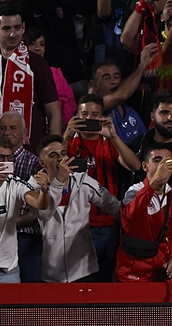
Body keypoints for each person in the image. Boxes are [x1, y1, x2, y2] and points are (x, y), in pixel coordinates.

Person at [64, 94, 142, 282]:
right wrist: (65, 136)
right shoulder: (68, 142)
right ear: (76, 116)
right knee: (73, 283)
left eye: (95, 114)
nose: (89, 119)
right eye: (84, 114)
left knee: (101, 282)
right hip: (71, 225)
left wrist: (114, 137)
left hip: (104, 225)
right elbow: (51, 166)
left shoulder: (108, 142)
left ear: (102, 117)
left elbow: (135, 166)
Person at [34, 135, 120, 282]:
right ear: (42, 162)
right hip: (52, 273)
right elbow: (45, 213)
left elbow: (113, 206)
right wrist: (58, 182)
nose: (60, 159)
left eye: (63, 154)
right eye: (53, 155)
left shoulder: (83, 181)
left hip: (84, 270)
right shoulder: (35, 186)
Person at [117, 143, 172, 283]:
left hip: (160, 271)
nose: (162, 166)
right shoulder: (133, 192)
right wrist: (153, 184)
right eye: (157, 160)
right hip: (131, 272)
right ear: (145, 166)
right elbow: (131, 217)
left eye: (167, 162)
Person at [0, 138, 63, 283]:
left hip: (7, 270)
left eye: (9, 158)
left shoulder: (15, 185)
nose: (6, 163)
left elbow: (39, 204)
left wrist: (44, 191)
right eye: (1, 158)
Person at [0, 4, 62, 152]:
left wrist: (53, 151)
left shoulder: (37, 64)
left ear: (23, 27)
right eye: (6, 29)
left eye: (17, 28)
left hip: (29, 152)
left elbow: (53, 111)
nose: (13, 34)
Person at [2, 112, 42, 282]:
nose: (6, 132)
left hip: (26, 236)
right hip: (4, 233)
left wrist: (13, 221)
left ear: (24, 133)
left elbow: (37, 209)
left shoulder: (35, 163)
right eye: (2, 128)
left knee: (26, 296)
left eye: (13, 128)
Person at [22, 28, 76, 128]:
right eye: (32, 43)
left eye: (42, 44)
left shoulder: (54, 73)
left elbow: (69, 101)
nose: (38, 48)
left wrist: (58, 125)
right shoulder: (14, 71)